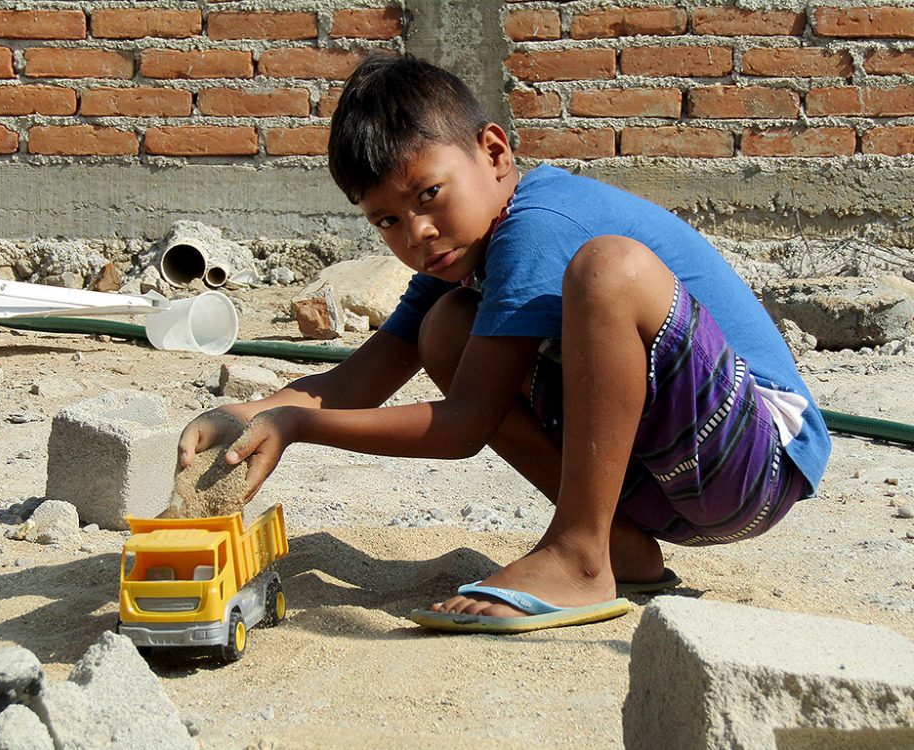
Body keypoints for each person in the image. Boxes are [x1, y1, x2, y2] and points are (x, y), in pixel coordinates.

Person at [177, 52, 831, 634]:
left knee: (609, 270)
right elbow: (354, 383)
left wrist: (296, 427)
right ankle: (615, 544)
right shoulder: (462, 259)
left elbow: (462, 427)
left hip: (757, 458)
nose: (419, 233)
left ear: (494, 152)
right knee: (447, 328)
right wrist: (249, 416)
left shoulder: (537, 224)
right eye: (388, 220)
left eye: (429, 195)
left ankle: (577, 554)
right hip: (668, 484)